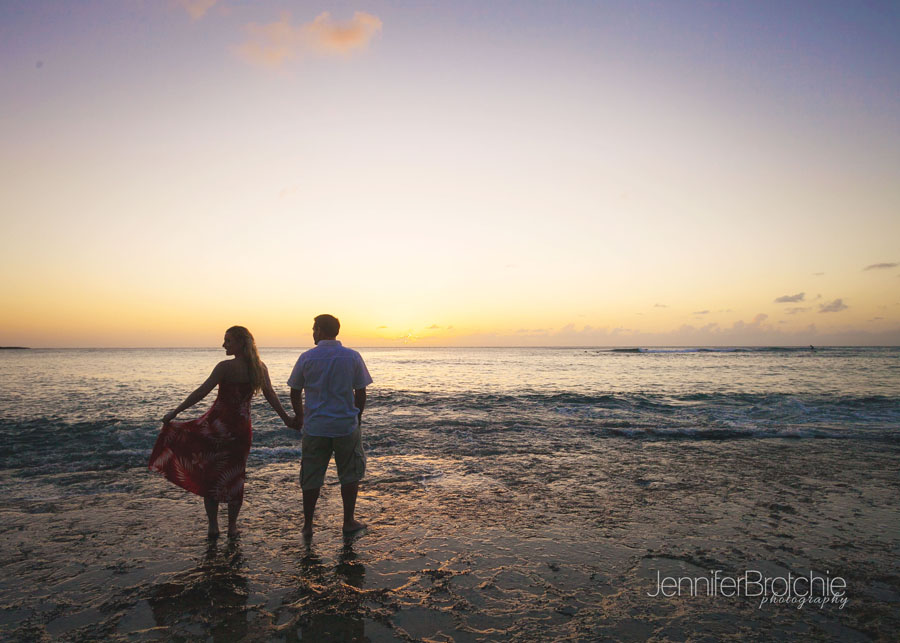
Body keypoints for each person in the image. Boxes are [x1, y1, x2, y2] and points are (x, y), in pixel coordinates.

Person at [149, 326, 294, 538]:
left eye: (228, 341)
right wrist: (286, 419)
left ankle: (213, 526)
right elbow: (271, 395)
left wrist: (175, 412)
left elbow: (201, 392)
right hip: (241, 430)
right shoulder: (259, 367)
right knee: (236, 476)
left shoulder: (225, 367)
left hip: (216, 427)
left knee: (211, 475)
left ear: (240, 343)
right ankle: (232, 527)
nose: (223, 345)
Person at [288, 314, 373, 537]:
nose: (313, 333)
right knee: (350, 474)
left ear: (320, 330)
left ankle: (308, 525)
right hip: (345, 425)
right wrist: (358, 416)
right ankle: (348, 521)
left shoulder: (307, 357)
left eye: (314, 329)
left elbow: (295, 391)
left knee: (311, 475)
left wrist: (300, 416)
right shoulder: (352, 356)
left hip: (315, 426)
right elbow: (361, 392)